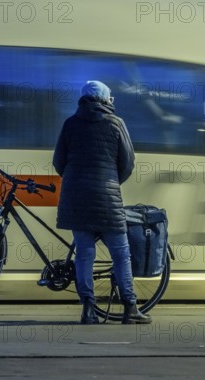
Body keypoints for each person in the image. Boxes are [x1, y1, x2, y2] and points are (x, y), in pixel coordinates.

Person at [53, 80, 151, 325]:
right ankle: (130, 307)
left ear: (83, 99)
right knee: (121, 253)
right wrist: (110, 180)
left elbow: (58, 162)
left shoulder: (70, 124)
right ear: (107, 100)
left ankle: (88, 309)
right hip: (106, 197)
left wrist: (76, 179)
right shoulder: (116, 124)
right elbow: (127, 164)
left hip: (76, 198)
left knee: (85, 254)